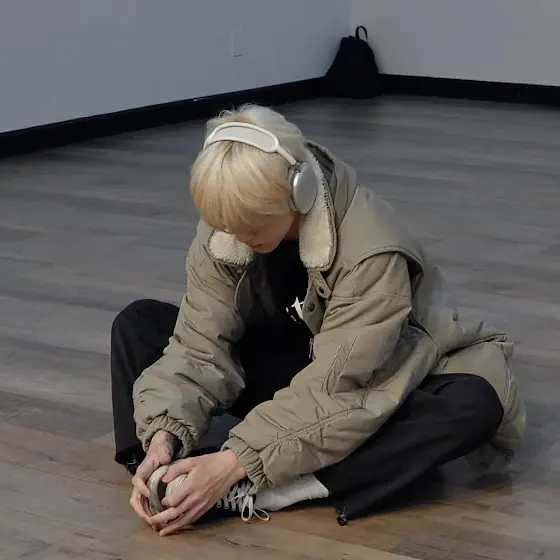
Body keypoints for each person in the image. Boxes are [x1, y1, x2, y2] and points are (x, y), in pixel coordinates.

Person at [110, 104, 526, 536]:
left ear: (299, 190)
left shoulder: (372, 249)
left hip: (375, 381)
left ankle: (274, 489)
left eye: (252, 225)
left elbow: (341, 390)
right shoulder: (228, 227)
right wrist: (163, 435)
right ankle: (164, 474)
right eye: (227, 226)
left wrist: (236, 462)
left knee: (474, 404)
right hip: (295, 367)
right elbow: (200, 345)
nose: (239, 238)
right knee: (138, 324)